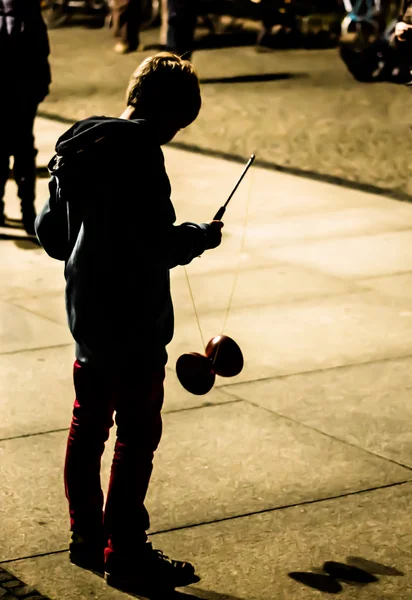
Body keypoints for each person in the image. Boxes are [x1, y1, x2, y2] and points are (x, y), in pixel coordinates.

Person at [34, 52, 224, 596]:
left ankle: (85, 537)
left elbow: (51, 237)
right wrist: (198, 237)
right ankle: (127, 551)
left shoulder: (78, 144)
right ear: (175, 115)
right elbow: (154, 245)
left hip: (88, 317)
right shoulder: (142, 153)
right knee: (137, 436)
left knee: (87, 427)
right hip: (135, 320)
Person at [0, 0, 51, 234]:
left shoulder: (29, 17)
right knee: (18, 153)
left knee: (22, 153)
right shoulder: (27, 16)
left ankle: (27, 210)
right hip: (17, 95)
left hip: (23, 95)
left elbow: (41, 56)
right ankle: (22, 211)